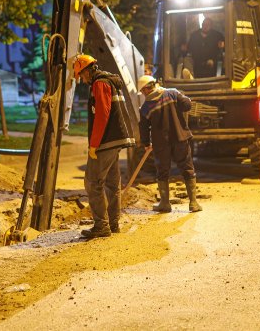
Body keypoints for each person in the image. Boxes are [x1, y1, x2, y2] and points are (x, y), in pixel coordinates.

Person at [73, 54, 135, 238]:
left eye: (81, 75)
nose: (82, 80)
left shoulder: (100, 83)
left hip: (106, 141)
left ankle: (101, 225)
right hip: (115, 141)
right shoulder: (110, 81)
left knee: (92, 182)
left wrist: (94, 144)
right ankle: (113, 223)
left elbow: (102, 114)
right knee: (111, 182)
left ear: (87, 70)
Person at [137, 75, 202, 213]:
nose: (143, 94)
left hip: (161, 144)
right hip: (180, 138)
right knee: (187, 168)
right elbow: (188, 105)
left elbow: (143, 128)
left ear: (146, 89)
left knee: (162, 172)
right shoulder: (172, 93)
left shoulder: (145, 108)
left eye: (142, 91)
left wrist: (146, 143)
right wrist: (180, 97)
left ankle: (165, 204)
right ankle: (193, 203)